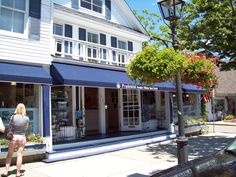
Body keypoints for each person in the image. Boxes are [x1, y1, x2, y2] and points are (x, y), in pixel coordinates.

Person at [1, 103, 29, 177]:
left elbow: (9, 126)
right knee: (19, 155)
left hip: (13, 137)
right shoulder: (26, 118)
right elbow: (26, 128)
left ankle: (6, 172)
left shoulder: (13, 117)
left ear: (17, 108)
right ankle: (18, 173)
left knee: (9, 154)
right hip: (22, 137)